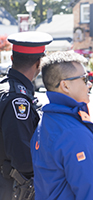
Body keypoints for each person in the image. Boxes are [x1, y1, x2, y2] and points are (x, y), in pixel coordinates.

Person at [30, 51, 93, 200]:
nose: (90, 84)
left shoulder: (47, 121)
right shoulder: (73, 133)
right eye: (85, 79)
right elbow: (91, 193)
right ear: (65, 86)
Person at [0, 31, 52, 200]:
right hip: (10, 188)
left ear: (13, 58)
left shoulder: (6, 88)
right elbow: (23, 160)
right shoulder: (18, 100)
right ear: (39, 63)